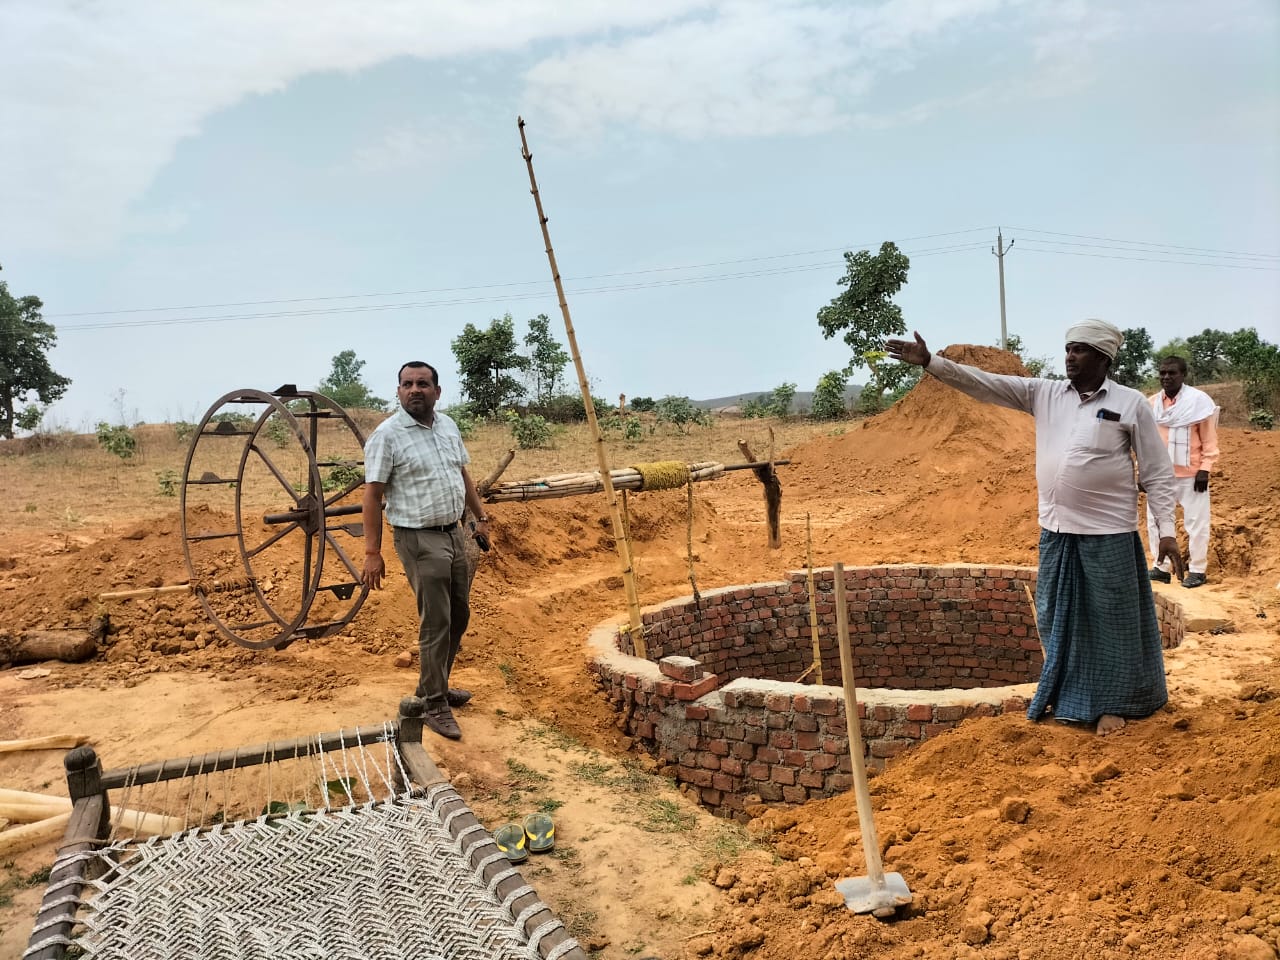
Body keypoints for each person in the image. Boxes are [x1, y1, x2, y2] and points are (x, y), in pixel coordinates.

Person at [885, 321, 1184, 736]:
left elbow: (1156, 473)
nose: (1069, 357)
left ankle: (1117, 705)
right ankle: (1071, 699)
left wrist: (1166, 531)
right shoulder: (1043, 394)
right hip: (1056, 533)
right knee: (1053, 616)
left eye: (1079, 350)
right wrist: (932, 363)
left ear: (1103, 358)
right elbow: (985, 383)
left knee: (1112, 625)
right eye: (1067, 349)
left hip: (1109, 535)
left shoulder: (1131, 404)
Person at [361, 361, 491, 741]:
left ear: (438, 391)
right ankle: (433, 703)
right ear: (398, 391)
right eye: (406, 384)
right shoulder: (387, 436)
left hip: (454, 533)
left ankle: (437, 683)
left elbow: (462, 474)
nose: (414, 389)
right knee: (436, 620)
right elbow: (371, 495)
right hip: (418, 538)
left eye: (422, 383)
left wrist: (480, 517)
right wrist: (373, 551)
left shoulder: (448, 426)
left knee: (459, 614)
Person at [1146, 356, 1219, 589]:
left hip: (1191, 474)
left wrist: (1205, 469)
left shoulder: (1198, 403)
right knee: (1155, 523)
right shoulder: (1152, 404)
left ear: (1183, 375)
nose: (1166, 377)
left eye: (1172, 373)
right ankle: (1161, 568)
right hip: (1160, 475)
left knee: (1196, 523)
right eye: (1163, 373)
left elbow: (1209, 439)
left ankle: (1197, 570)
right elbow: (1146, 442)